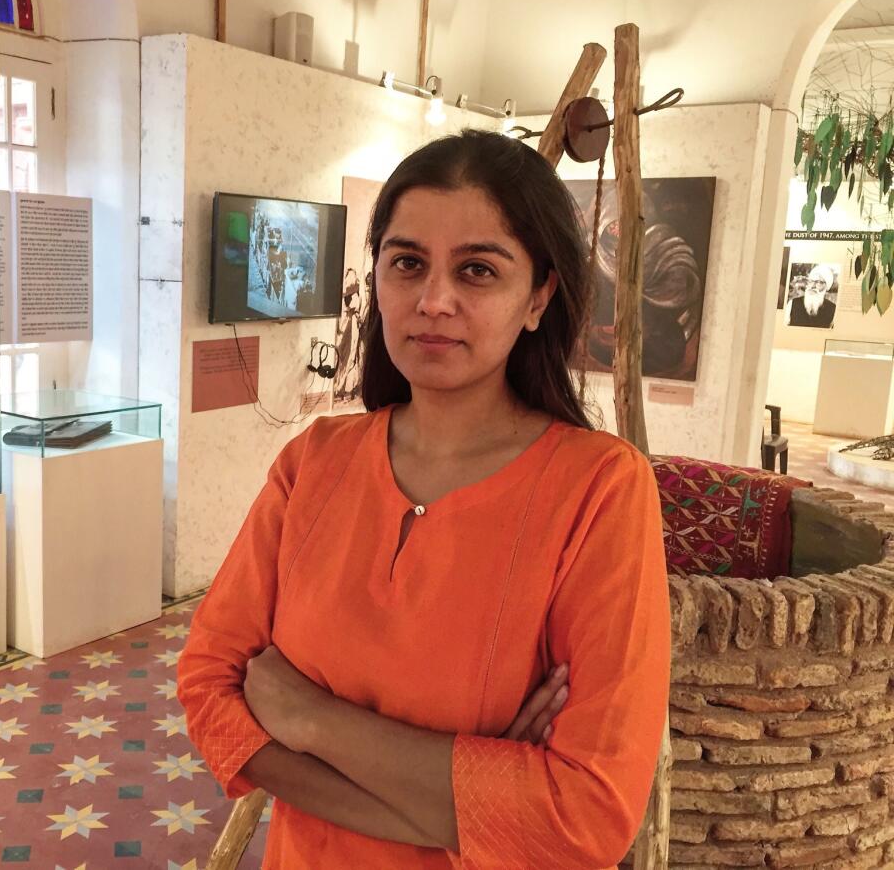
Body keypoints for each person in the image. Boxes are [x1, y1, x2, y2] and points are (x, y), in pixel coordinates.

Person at [178, 129, 670, 869]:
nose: (433, 300)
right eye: (407, 262)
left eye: (477, 270)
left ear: (538, 296)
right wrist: (474, 793)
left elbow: (587, 816)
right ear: (376, 276)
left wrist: (308, 716)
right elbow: (209, 689)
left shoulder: (600, 490)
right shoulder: (313, 462)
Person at [786, 264, 836, 328]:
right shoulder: (792, 304)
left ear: (826, 287)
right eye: (811, 281)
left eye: (819, 282)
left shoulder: (832, 309)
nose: (813, 286)